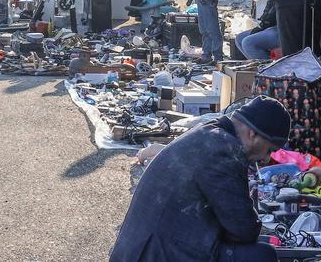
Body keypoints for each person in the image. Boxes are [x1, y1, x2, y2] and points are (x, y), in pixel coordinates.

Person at [110, 96, 290, 262]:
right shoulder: (224, 150)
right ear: (253, 133)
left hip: (141, 249)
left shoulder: (210, 131)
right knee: (261, 255)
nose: (266, 159)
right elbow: (243, 229)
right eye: (270, 150)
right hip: (152, 254)